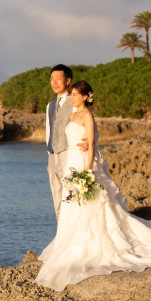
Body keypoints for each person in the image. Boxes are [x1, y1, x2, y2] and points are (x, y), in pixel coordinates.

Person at [34, 81, 151, 292]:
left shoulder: (88, 115)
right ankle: (69, 241)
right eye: (71, 95)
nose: (72, 98)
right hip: (71, 161)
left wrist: (87, 170)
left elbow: (93, 142)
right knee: (71, 202)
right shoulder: (71, 116)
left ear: (86, 96)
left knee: (92, 203)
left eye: (76, 95)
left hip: (83, 163)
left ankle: (93, 240)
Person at [45, 64, 88, 220]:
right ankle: (60, 227)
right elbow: (49, 131)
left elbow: (86, 123)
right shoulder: (50, 105)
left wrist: (89, 141)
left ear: (68, 81)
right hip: (53, 154)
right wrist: (49, 157)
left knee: (70, 192)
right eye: (52, 79)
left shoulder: (75, 102)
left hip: (69, 153)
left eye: (58, 79)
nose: (54, 82)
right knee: (56, 193)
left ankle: (73, 225)